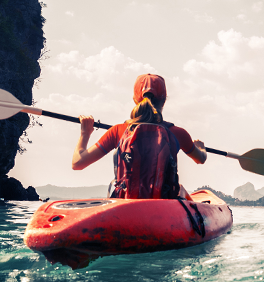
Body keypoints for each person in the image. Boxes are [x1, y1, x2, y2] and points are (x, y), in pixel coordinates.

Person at [71, 74, 206, 199]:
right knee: (181, 190)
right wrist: (201, 148)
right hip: (164, 204)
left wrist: (85, 133)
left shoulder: (118, 131)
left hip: (126, 204)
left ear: (135, 99)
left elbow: (78, 163)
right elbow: (200, 159)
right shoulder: (178, 133)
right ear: (164, 100)